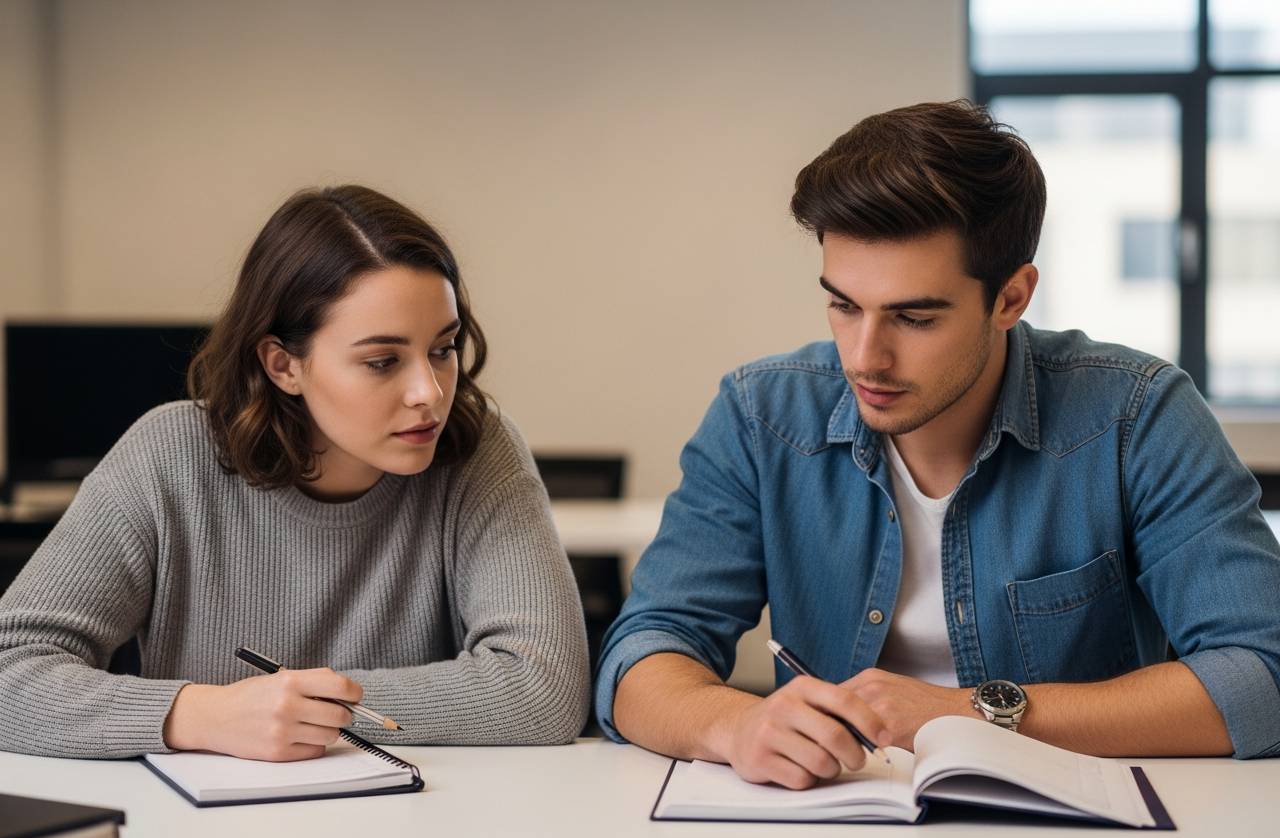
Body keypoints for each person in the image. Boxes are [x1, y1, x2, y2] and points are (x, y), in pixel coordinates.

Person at [596, 100, 1280, 789]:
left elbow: (1263, 672)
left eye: (914, 317)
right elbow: (643, 656)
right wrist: (733, 724)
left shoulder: (1137, 416)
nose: (865, 358)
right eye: (843, 305)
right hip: (832, 837)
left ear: (1010, 298)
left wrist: (966, 716)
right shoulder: (760, 417)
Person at [0, 185, 590, 760]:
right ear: (283, 365)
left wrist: (301, 711)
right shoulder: (169, 455)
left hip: (413, 832)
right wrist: (202, 715)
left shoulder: (477, 448)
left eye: (443, 347)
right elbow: (12, 669)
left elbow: (544, 690)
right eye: (382, 361)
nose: (429, 393)